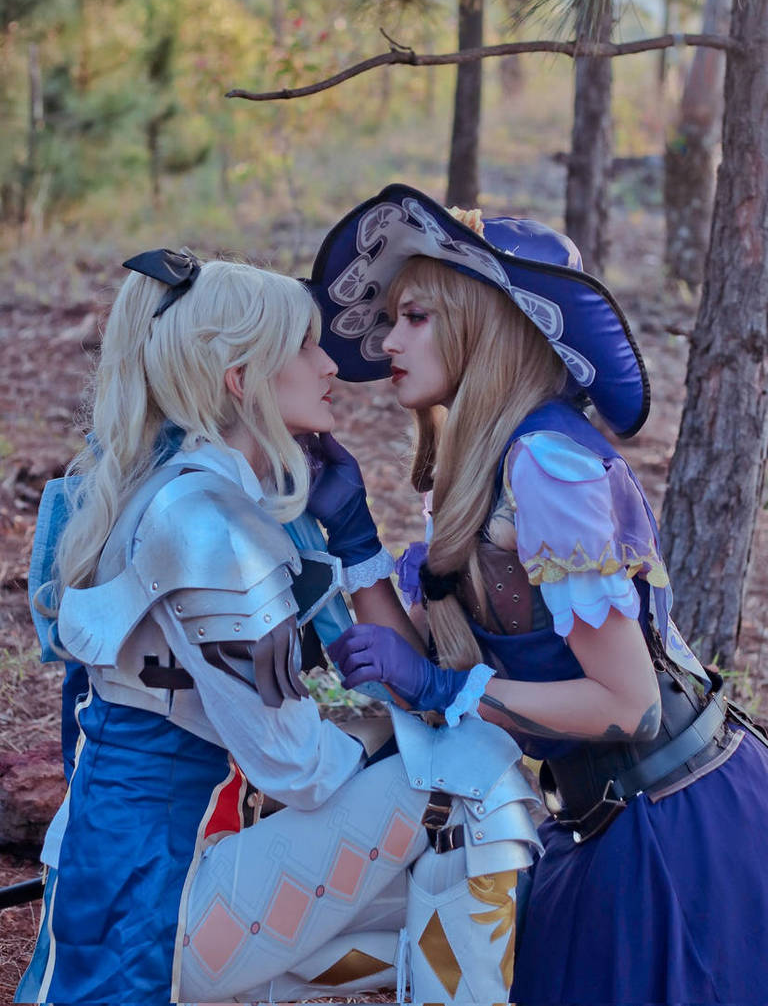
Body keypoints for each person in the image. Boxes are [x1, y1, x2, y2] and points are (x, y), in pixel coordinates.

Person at [18, 247, 540, 1004]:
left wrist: (355, 538)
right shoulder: (209, 527)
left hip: (153, 862)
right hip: (160, 889)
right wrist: (392, 726)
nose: (329, 365)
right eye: (303, 346)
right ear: (242, 380)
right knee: (472, 775)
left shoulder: (197, 496)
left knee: (460, 882)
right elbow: (301, 767)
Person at [314, 183, 768, 1004]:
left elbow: (628, 705)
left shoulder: (545, 467)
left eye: (416, 317)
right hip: (601, 826)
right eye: (390, 319)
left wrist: (447, 688)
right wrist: (352, 542)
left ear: (480, 327)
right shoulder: (478, 469)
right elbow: (422, 673)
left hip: (675, 835)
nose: (389, 340)